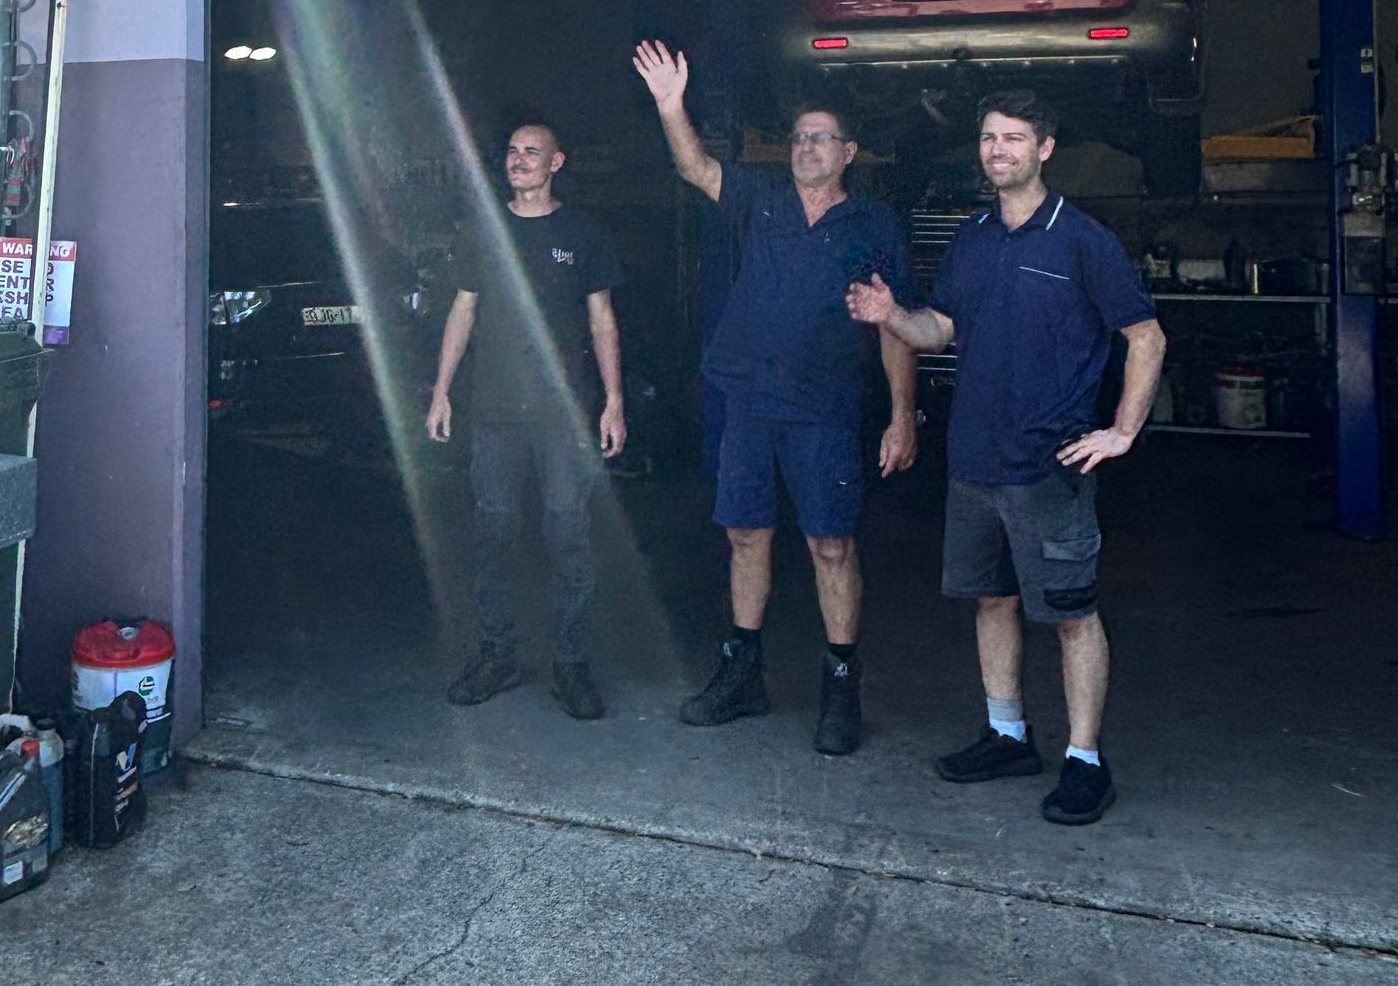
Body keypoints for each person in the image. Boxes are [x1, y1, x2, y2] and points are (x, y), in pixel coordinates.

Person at [848, 86, 1165, 826]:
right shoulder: (973, 239)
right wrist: (890, 314)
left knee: (1071, 614)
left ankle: (1085, 760)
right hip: (974, 463)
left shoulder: (1082, 239)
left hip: (1048, 466)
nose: (998, 151)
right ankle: (1008, 735)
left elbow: (1145, 337)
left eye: (1014, 139)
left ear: (1045, 149)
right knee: (991, 599)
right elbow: (939, 329)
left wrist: (1122, 431)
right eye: (989, 138)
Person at [633, 42, 918, 755]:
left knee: (831, 544)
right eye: (798, 138)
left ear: (849, 152)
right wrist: (672, 105)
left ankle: (841, 686)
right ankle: (742, 674)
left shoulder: (874, 226)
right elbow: (695, 168)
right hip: (750, 402)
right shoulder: (760, 201)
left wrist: (901, 413)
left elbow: (895, 326)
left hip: (825, 406)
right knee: (744, 534)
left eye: (821, 138)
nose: (806, 148)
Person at [426, 122, 627, 721]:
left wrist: (614, 400)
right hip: (493, 413)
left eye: (530, 152)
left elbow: (603, 321)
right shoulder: (483, 231)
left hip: (563, 415)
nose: (518, 160)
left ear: (556, 162)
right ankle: (498, 654)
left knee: (568, 535)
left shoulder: (581, 232)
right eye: (512, 151)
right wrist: (441, 391)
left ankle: (571, 665)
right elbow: (462, 310)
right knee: (494, 533)